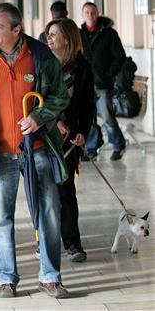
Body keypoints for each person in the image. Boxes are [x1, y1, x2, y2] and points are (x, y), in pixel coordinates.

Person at [0, 3, 71, 299]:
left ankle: (50, 277)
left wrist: (40, 117)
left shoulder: (41, 56)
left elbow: (59, 96)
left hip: (37, 149)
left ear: (16, 30)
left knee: (48, 213)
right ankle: (6, 278)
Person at [45, 18, 95, 262]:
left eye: (54, 34)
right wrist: (54, 122)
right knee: (45, 194)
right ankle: (45, 242)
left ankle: (73, 244)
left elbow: (87, 105)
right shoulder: (42, 64)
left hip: (69, 141)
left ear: (67, 38)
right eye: (49, 33)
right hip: (43, 137)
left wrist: (82, 131)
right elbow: (34, 101)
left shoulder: (82, 68)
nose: (49, 38)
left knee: (66, 192)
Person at [79, 2, 127, 161]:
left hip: (103, 84)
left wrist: (108, 75)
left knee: (107, 116)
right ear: (82, 15)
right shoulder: (79, 35)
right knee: (89, 118)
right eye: (87, 12)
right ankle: (92, 148)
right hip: (85, 84)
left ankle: (119, 145)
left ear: (98, 13)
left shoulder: (109, 34)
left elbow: (120, 57)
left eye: (93, 12)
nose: (90, 16)